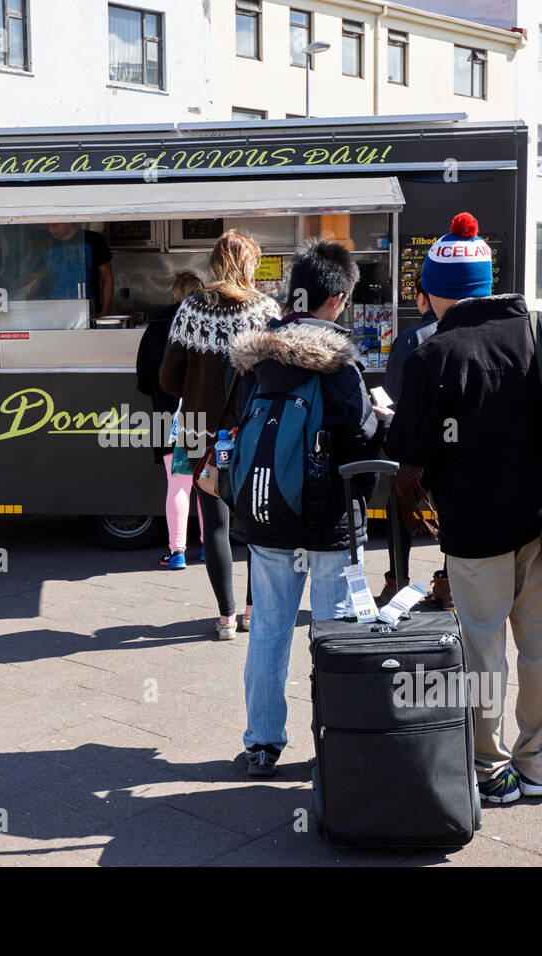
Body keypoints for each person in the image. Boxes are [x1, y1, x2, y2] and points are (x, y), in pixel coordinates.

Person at [384, 212, 542, 804]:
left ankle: (490, 769)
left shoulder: (430, 356)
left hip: (471, 533)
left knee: (481, 648)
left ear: (435, 292)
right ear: (488, 281)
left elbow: (406, 449)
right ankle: (540, 764)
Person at [227, 237, 379, 777]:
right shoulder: (339, 362)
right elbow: (359, 440)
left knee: (268, 628)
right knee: (334, 632)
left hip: (267, 514)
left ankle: (263, 743)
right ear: (336, 300)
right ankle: (336, 741)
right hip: (330, 518)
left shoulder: (255, 359)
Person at [160, 229, 279, 640]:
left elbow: (168, 378)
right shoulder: (265, 309)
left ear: (213, 263)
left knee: (214, 522)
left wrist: (196, 392)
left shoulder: (192, 308)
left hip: (197, 429)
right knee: (256, 523)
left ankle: (225, 616)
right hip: (250, 429)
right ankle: (251, 612)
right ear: (251, 264)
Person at [373, 275, 449, 607]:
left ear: (422, 299)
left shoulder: (409, 339)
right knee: (450, 509)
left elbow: (391, 399)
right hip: (451, 446)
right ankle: (448, 583)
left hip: (411, 447)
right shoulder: (461, 334)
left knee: (397, 509)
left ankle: (397, 581)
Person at [136, 271, 205, 569]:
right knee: (205, 485)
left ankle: (177, 553)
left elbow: (144, 380)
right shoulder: (207, 328)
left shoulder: (156, 330)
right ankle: (207, 546)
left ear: (174, 294)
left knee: (178, 483)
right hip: (201, 418)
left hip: (168, 419)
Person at [23, 222, 114, 317]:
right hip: (53, 314)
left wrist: (105, 311)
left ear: (68, 221)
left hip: (89, 313)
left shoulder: (93, 239)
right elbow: (35, 279)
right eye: (48, 225)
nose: (50, 229)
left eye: (55, 225)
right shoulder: (44, 243)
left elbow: (106, 276)